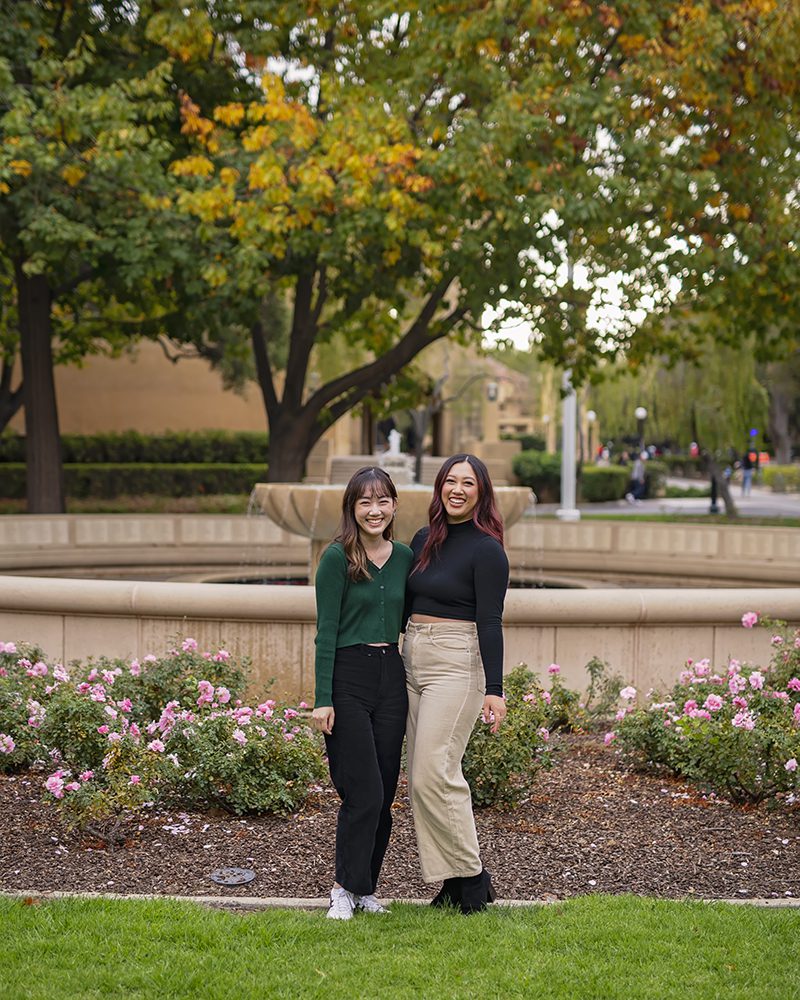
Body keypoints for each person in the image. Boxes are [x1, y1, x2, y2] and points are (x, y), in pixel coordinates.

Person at [403, 454, 509, 914]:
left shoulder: (488, 550)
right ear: (440, 487)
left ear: (481, 491)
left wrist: (495, 689)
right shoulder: (424, 539)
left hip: (456, 662)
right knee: (418, 779)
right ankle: (452, 880)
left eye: (468, 482)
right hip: (412, 659)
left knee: (435, 772)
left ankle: (473, 878)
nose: (458, 489)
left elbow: (490, 620)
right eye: (451, 481)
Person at [312, 467, 414, 920]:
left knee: (386, 791)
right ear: (352, 509)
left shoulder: (407, 556)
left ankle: (365, 888)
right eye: (365, 503)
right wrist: (322, 698)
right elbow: (326, 631)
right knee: (364, 791)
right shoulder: (337, 558)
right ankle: (342, 888)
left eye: (383, 501)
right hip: (348, 678)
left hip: (391, 675)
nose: (375, 511)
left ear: (393, 506)